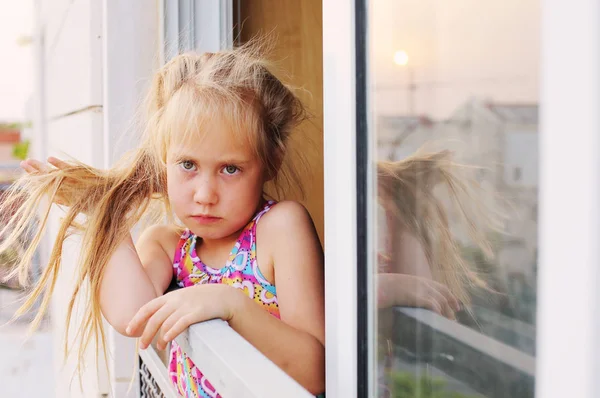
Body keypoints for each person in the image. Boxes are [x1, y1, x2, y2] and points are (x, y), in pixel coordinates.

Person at [1, 42, 325, 397]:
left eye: (230, 169)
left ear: (271, 161)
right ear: (163, 162)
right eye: (188, 165)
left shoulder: (279, 229)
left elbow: (315, 371)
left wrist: (231, 305)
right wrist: (104, 211)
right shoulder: (168, 245)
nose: (205, 193)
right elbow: (132, 315)